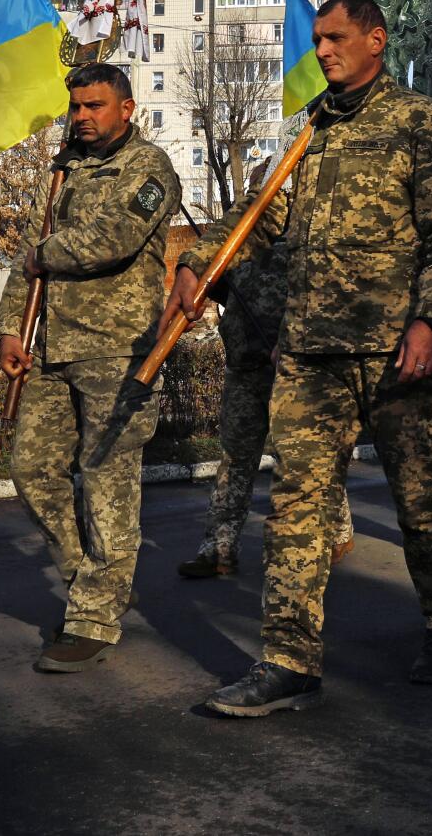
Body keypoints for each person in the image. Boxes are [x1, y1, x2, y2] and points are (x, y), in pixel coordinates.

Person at [164, 0, 432, 717]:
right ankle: (288, 656)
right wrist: (199, 264)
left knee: (419, 497)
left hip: (397, 349)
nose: (324, 51)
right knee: (297, 506)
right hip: (310, 351)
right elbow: (258, 217)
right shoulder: (308, 133)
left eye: (336, 38)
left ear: (376, 39)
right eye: (318, 40)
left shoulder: (418, 123)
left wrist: (431, 322)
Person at [0, 64, 180, 673]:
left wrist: (39, 254)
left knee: (106, 485)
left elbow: (112, 239)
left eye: (95, 106)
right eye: (76, 106)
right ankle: (89, 579)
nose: (82, 117)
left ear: (126, 109)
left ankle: (95, 617)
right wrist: (8, 328)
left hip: (116, 348)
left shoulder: (148, 168)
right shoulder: (60, 171)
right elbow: (27, 261)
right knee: (31, 469)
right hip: (51, 347)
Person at [176, 161, 354, 580]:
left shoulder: (303, 242)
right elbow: (221, 290)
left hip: (290, 363)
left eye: (266, 192)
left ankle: (334, 531)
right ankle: (218, 548)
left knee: (304, 456)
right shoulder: (237, 244)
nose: (257, 201)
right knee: (235, 456)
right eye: (254, 193)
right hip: (245, 363)